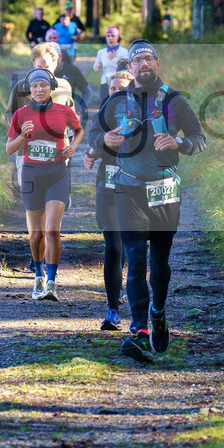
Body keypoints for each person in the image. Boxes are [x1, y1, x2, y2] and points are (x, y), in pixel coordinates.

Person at [87, 40, 206, 362]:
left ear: (158, 62)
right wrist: (102, 140)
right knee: (136, 259)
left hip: (165, 189)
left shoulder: (174, 100)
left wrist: (179, 141)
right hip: (128, 189)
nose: (143, 65)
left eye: (148, 59)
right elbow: (93, 135)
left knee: (160, 262)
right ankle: (139, 329)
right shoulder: (117, 100)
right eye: (137, 60)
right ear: (130, 67)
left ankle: (158, 312)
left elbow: (199, 139)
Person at [6, 68, 84, 301]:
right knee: (36, 234)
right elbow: (9, 148)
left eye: (43, 86)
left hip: (57, 173)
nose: (39, 90)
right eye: (35, 86)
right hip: (31, 174)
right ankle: (38, 276)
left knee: (52, 230)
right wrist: (22, 137)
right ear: (29, 90)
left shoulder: (64, 111)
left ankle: (51, 282)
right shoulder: (20, 114)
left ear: (51, 88)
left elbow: (78, 130)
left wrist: (74, 146)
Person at [83, 69, 134, 331]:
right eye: (112, 88)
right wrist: (99, 143)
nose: (115, 92)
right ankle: (112, 310)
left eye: (121, 88)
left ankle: (140, 314)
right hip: (108, 187)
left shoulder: (142, 112)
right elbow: (92, 137)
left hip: (136, 189)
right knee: (114, 245)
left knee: (132, 246)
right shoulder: (105, 111)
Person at [93, 27, 130, 98]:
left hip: (118, 83)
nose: (110, 38)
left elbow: (125, 68)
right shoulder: (101, 52)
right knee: (104, 105)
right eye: (108, 36)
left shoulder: (123, 51)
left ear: (117, 37)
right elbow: (96, 66)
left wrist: (113, 58)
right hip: (105, 82)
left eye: (113, 36)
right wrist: (96, 68)